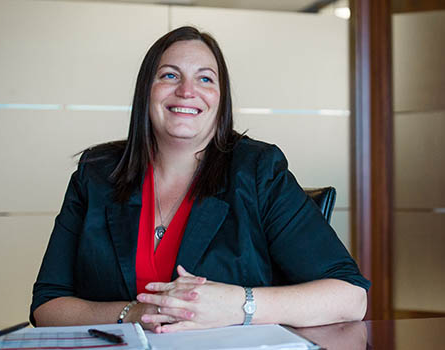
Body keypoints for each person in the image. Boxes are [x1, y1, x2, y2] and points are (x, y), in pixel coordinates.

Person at [30, 26, 370, 333]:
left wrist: (238, 305)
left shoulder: (257, 170)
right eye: (169, 76)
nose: (187, 91)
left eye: (205, 79)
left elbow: (350, 298)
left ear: (221, 100)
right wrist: (135, 312)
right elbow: (48, 306)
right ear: (146, 92)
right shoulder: (96, 173)